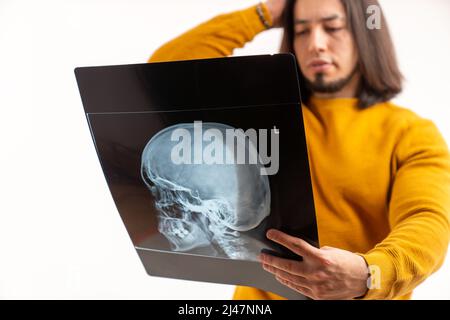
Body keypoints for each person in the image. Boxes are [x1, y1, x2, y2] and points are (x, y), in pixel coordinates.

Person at [147, 0, 450, 300]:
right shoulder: (259, 114)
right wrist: (265, 14)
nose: (316, 44)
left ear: (366, 35)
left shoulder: (410, 133)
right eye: (301, 31)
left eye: (333, 28)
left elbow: (427, 220)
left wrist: (369, 274)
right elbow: (165, 71)